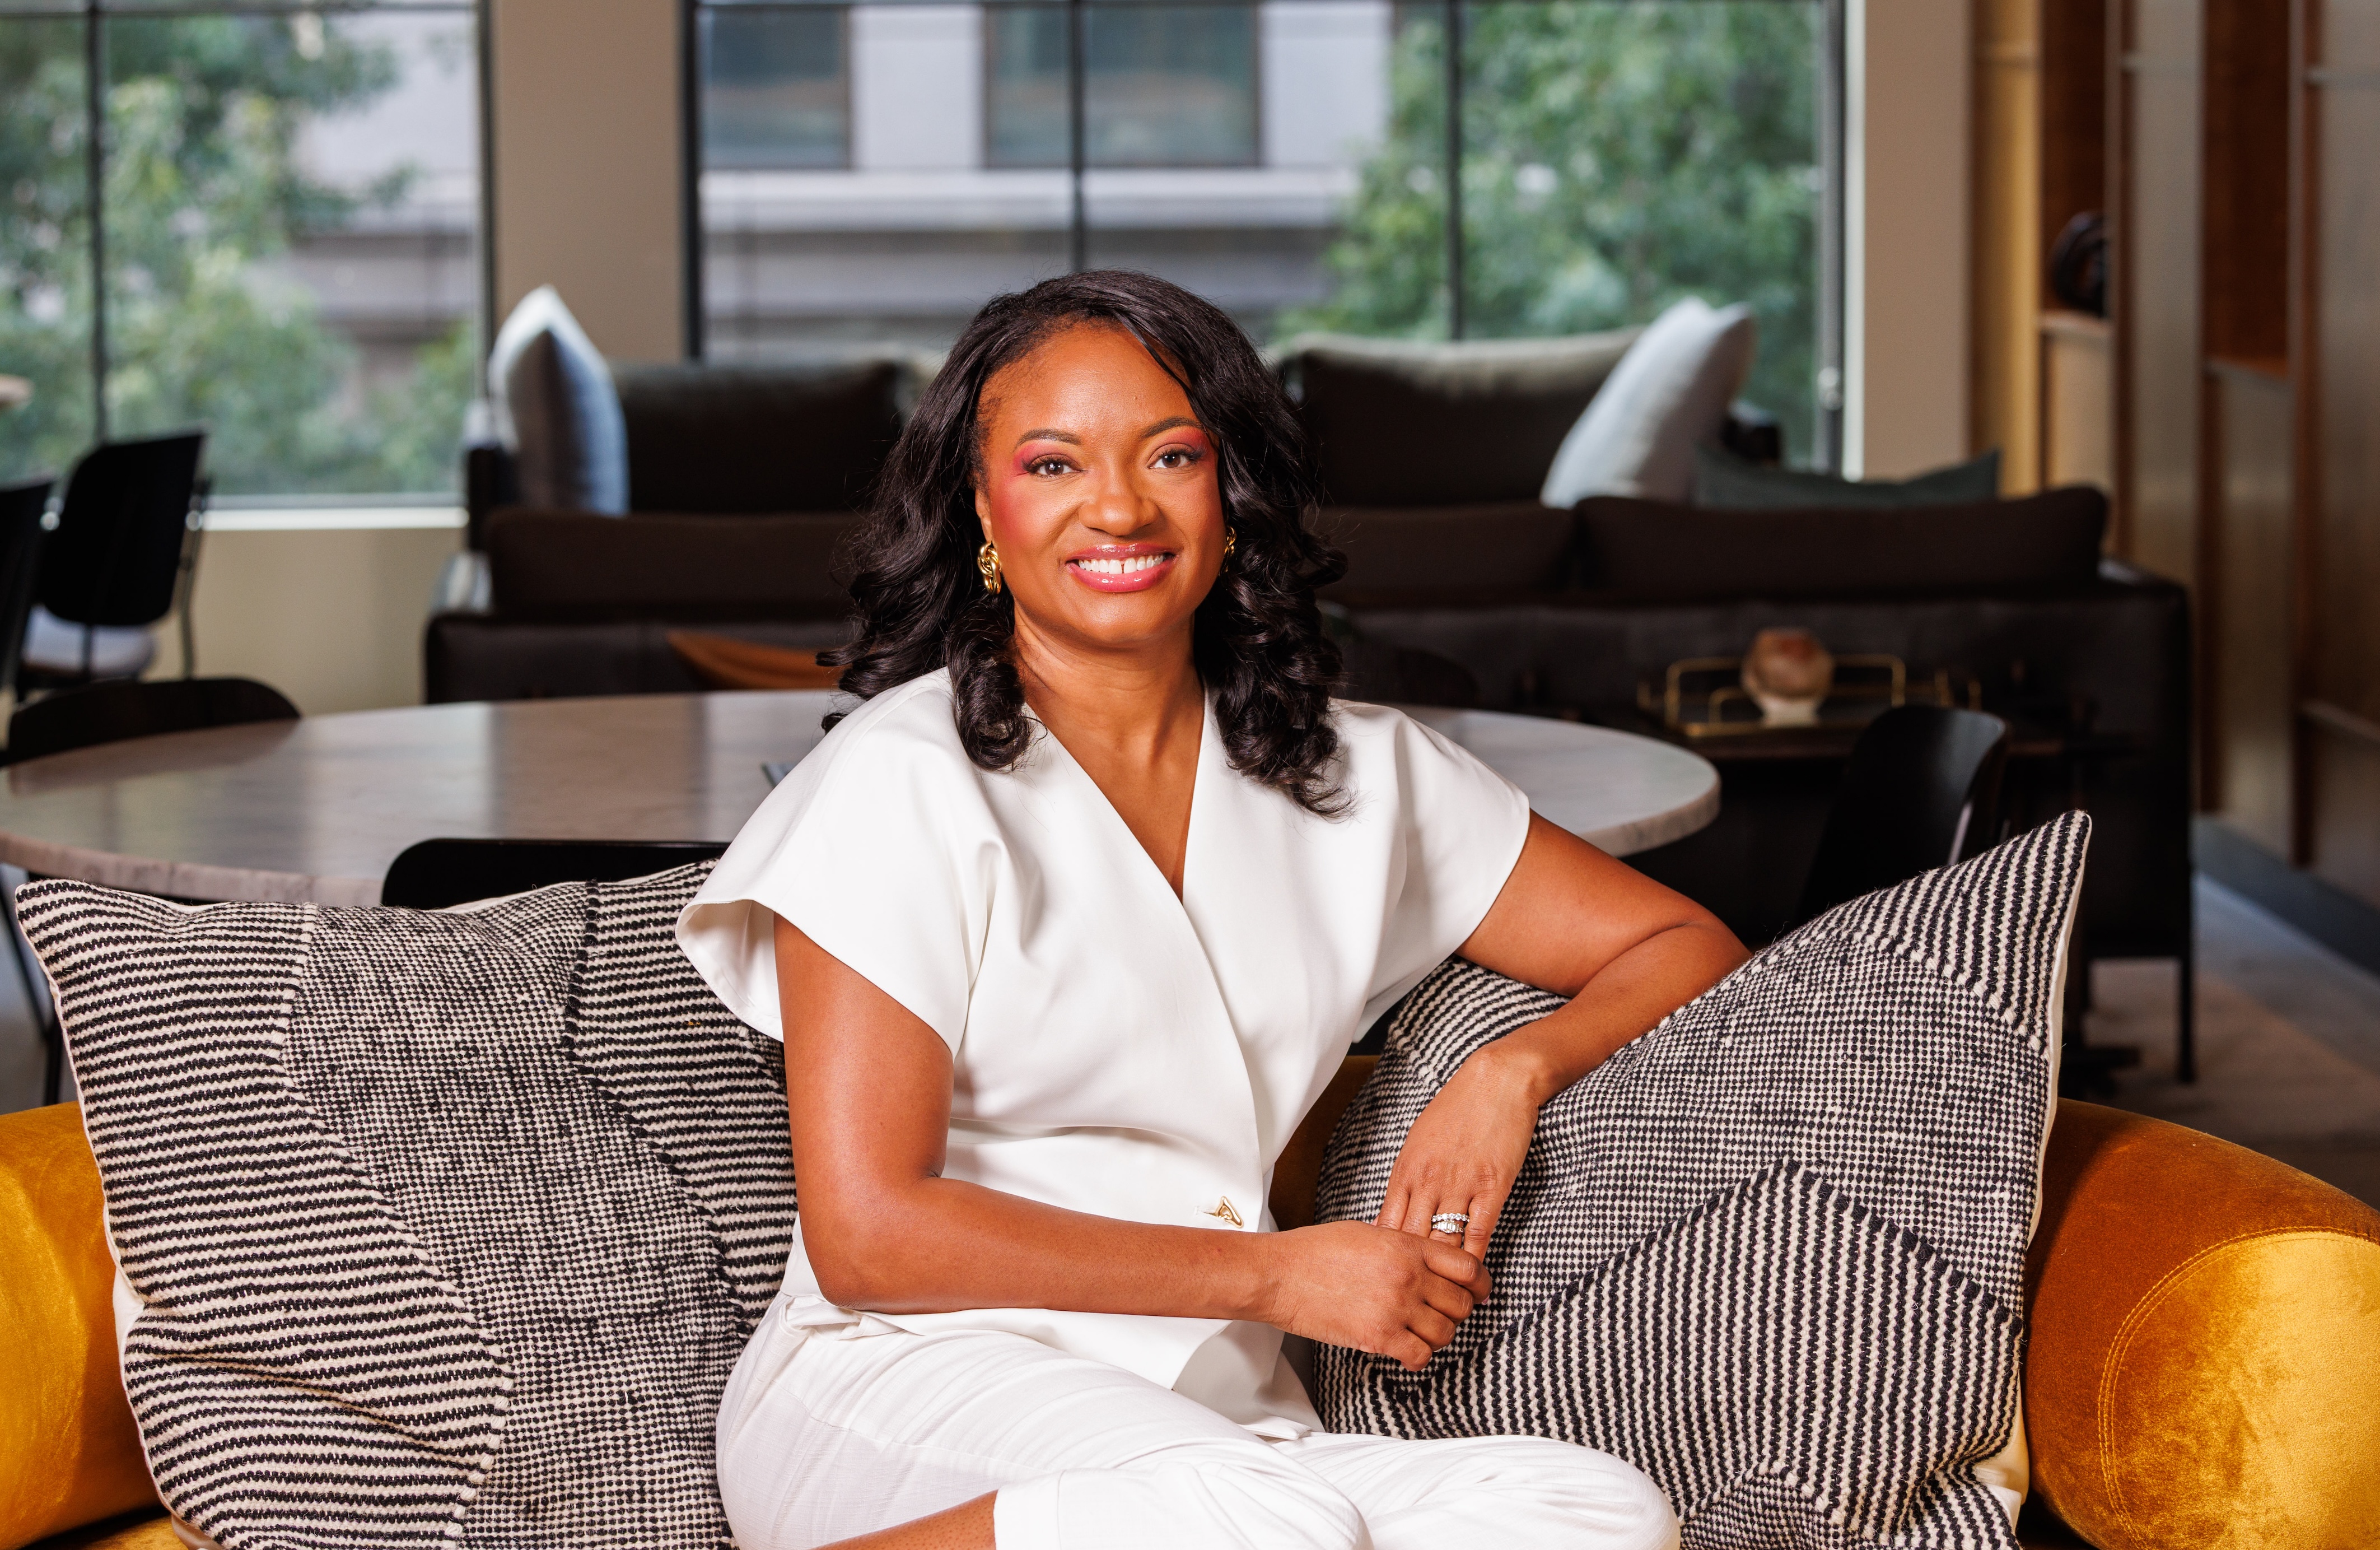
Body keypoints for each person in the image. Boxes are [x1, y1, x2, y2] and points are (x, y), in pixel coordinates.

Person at [676, 271, 1748, 1550]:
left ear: (1228, 490)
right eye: (1053, 464)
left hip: (1205, 1415)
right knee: (1258, 1517)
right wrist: (1280, 1277)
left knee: (1592, 1509)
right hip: (910, 1374)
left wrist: (1506, 1075)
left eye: (1170, 455)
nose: (1119, 506)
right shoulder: (901, 779)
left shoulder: (1360, 773)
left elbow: (1681, 942)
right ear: (981, 506)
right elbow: (871, 1235)